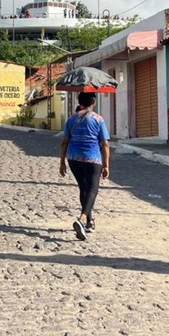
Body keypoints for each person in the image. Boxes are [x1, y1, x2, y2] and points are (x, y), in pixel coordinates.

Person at [59, 92, 110, 241]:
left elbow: (64, 142)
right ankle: (81, 219)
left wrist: (62, 162)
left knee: (83, 188)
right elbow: (105, 143)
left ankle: (88, 222)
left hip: (74, 158)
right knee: (92, 189)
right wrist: (106, 165)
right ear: (93, 101)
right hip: (92, 159)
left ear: (79, 101)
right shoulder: (98, 120)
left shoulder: (71, 119)